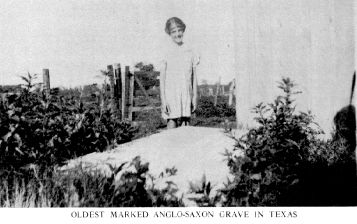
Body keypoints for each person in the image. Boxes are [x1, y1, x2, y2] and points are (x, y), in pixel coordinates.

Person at [159, 17, 200, 129]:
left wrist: (194, 97)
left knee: (186, 123)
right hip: (171, 93)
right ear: (169, 33)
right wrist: (163, 100)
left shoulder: (190, 51)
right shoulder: (166, 51)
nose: (177, 34)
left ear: (183, 30)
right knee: (172, 120)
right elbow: (162, 78)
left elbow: (194, 77)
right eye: (173, 31)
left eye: (179, 30)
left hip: (186, 92)